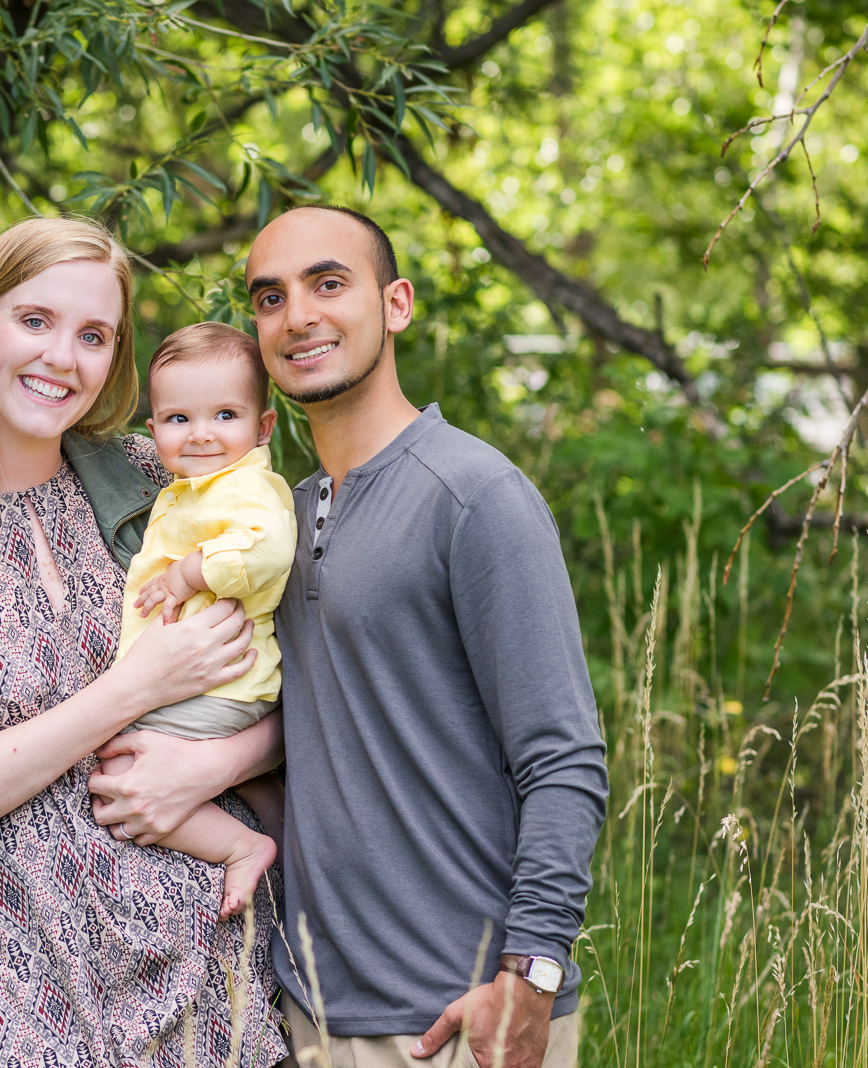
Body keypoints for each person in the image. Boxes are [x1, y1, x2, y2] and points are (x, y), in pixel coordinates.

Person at [0, 216, 287, 1068]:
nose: (62, 358)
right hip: (17, 1004)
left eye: (94, 335)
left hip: (209, 978)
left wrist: (223, 762)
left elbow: (306, 672)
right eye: (35, 321)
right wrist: (132, 688)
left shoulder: (159, 477)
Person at [245, 206, 609, 1068]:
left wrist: (533, 976)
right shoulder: (275, 524)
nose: (297, 316)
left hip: (460, 1020)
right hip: (310, 1010)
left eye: (328, 284)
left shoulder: (475, 495)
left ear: (396, 303)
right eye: (270, 297)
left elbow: (565, 761)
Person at [99, 321, 295, 921]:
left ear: (262, 427)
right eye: (180, 419)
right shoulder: (192, 489)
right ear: (153, 430)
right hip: (220, 680)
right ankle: (280, 823)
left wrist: (189, 574)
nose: (202, 434)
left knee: (119, 760)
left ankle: (242, 845)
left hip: (222, 680)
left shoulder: (245, 489)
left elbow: (269, 550)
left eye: (225, 416)